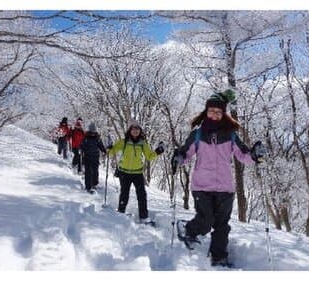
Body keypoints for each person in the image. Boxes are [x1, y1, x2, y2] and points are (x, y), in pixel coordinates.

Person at [173, 90, 264, 267]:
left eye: (218, 112)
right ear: (206, 112)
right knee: (206, 221)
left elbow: (243, 155)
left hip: (225, 188)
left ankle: (219, 256)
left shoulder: (230, 135)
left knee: (222, 225)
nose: (214, 114)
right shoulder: (197, 134)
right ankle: (189, 229)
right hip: (202, 185)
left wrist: (254, 156)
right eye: (211, 111)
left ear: (223, 114)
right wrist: (179, 158)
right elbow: (186, 153)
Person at [106, 122, 164, 224]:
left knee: (142, 195)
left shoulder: (142, 143)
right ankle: (121, 212)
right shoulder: (123, 142)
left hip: (137, 173)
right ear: (130, 131)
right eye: (133, 129)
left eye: (137, 130)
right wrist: (109, 146)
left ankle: (144, 217)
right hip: (124, 172)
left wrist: (158, 151)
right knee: (124, 193)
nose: (135, 131)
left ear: (140, 132)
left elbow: (149, 156)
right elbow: (112, 152)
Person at [80, 123, 107, 194]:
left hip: (95, 157)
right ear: (89, 131)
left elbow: (101, 146)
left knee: (95, 171)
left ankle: (95, 184)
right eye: (91, 131)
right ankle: (88, 186)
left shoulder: (97, 138)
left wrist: (105, 151)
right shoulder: (85, 137)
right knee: (88, 172)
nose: (93, 133)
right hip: (87, 157)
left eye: (94, 131)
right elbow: (82, 145)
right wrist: (82, 149)